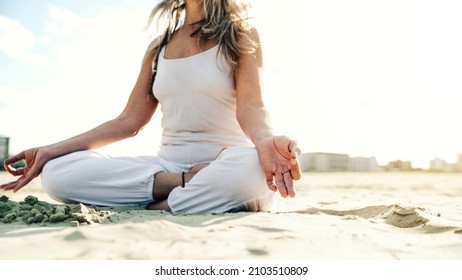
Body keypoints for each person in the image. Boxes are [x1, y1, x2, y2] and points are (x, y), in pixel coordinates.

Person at [0, 0, 301, 213]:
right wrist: (52, 149)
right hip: (168, 169)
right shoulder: (159, 47)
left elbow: (252, 107)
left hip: (223, 165)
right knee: (56, 173)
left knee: (251, 170)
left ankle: (161, 206)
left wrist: (264, 141)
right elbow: (129, 121)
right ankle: (182, 191)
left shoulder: (242, 35)